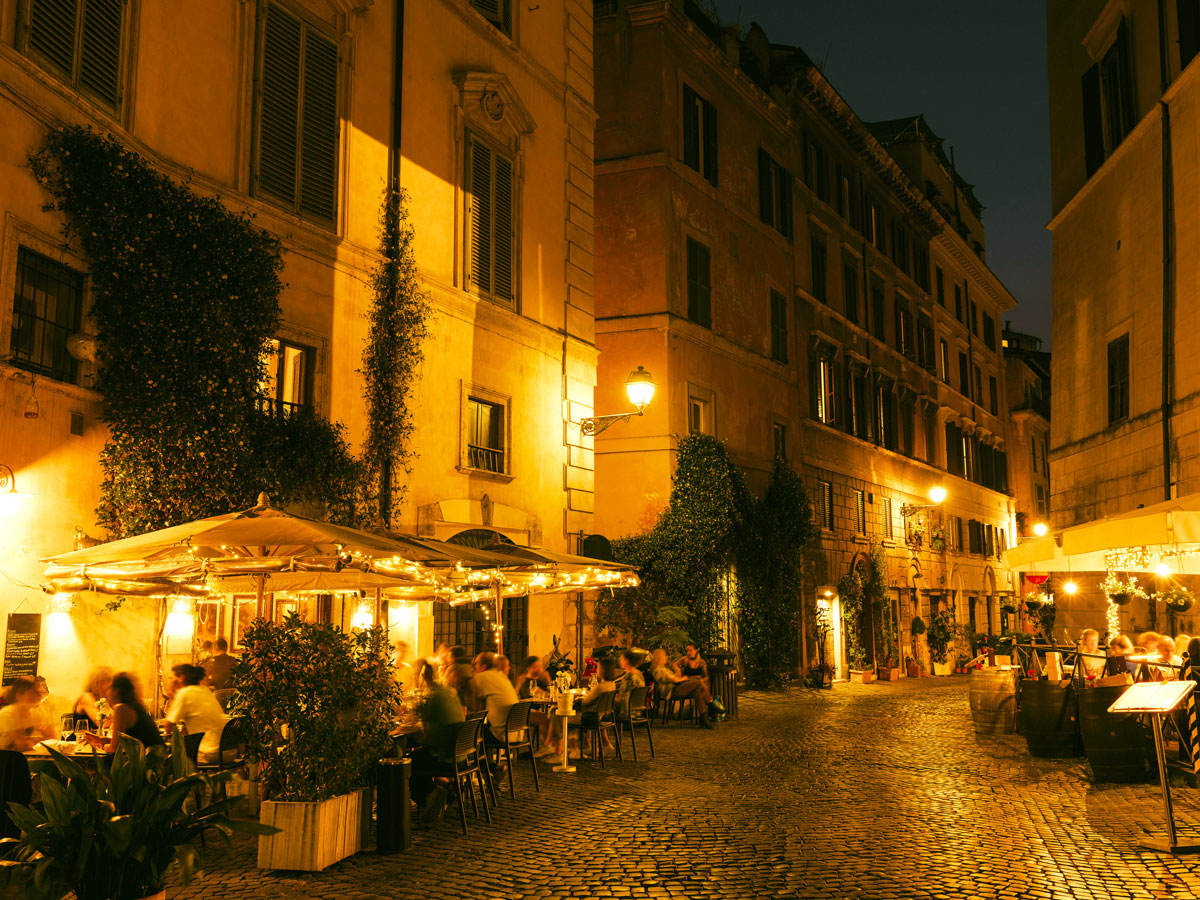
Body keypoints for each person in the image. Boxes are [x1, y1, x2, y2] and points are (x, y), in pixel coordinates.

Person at [408, 661, 463, 823]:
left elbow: (418, 721)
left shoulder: (431, 695)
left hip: (444, 755)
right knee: (418, 756)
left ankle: (430, 795)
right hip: (460, 754)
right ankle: (445, 790)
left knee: (409, 763)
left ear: (423, 676)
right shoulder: (446, 692)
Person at [81, 672, 163, 752]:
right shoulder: (132, 707)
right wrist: (98, 739)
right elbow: (120, 742)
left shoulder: (121, 709)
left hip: (149, 763)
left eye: (109, 688)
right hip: (158, 760)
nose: (106, 693)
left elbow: (114, 748)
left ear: (116, 691)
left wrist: (99, 746)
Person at [164, 663, 228, 764]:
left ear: (181, 678)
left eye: (171, 677)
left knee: (169, 760)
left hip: (210, 753)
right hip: (227, 751)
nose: (169, 681)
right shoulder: (205, 689)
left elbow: (168, 726)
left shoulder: (184, 693)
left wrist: (172, 695)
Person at [651, 648, 713, 728]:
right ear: (659, 658)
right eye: (664, 656)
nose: (666, 657)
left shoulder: (664, 669)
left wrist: (677, 669)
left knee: (697, 692)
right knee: (698, 682)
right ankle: (711, 704)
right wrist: (684, 678)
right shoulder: (658, 670)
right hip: (671, 691)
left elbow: (676, 677)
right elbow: (674, 679)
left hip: (676, 688)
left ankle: (703, 718)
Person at [473, 652, 519, 743]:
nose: (474, 667)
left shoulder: (480, 677)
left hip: (500, 734)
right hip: (516, 732)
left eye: (476, 664)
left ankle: (479, 756)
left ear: (483, 666)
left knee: (471, 730)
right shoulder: (502, 676)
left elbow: (475, 708)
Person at [0, 677, 55, 750]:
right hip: (6, 759)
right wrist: (40, 741)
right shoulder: (7, 714)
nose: (39, 696)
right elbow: (21, 744)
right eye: (34, 692)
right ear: (19, 695)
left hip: (26, 756)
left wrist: (31, 743)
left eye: (39, 693)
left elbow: (52, 738)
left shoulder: (35, 712)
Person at [443, 645, 475, 710]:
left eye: (448, 656)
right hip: (472, 707)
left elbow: (444, 687)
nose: (447, 659)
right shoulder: (469, 667)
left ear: (453, 658)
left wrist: (442, 673)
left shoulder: (453, 668)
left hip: (460, 708)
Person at [615, 649, 645, 717]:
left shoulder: (629, 676)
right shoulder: (639, 674)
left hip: (627, 710)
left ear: (626, 661)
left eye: (621, 659)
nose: (620, 661)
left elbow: (622, 697)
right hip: (638, 709)